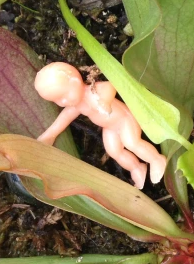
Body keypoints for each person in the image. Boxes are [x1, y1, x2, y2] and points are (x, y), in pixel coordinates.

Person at [35, 62, 167, 189]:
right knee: (114, 151)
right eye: (57, 100)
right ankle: (137, 168)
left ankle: (156, 159)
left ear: (74, 82)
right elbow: (64, 118)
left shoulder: (92, 91)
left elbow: (110, 86)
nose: (63, 102)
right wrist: (49, 135)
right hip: (110, 128)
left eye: (63, 96)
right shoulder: (76, 105)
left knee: (132, 143)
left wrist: (105, 102)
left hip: (124, 119)